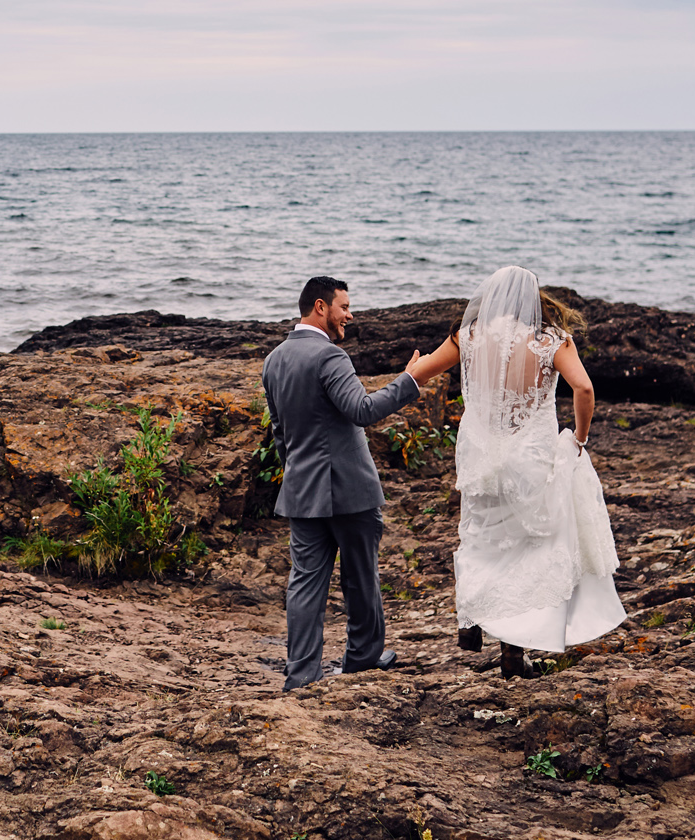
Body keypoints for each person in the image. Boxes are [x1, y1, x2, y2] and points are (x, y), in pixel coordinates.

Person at [406, 265, 625, 677]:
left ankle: (468, 621)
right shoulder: (550, 340)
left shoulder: (468, 336)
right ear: (533, 298)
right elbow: (585, 388)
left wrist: (411, 368)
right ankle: (513, 651)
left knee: (481, 538)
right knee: (526, 550)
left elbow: (421, 374)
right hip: (530, 457)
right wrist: (579, 437)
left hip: (479, 455)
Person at [262, 276, 424, 691]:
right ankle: (363, 659)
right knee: (360, 577)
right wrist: (409, 381)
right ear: (321, 307)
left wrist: (299, 474)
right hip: (350, 490)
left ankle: (301, 675)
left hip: (302, 491)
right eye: (345, 307)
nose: (350, 315)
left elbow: (280, 433)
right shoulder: (330, 357)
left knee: (304, 584)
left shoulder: (274, 360)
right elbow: (362, 409)